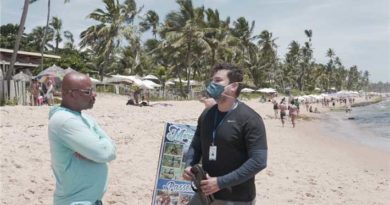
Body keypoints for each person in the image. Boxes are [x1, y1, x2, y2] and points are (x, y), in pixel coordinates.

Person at [182, 63, 267, 204]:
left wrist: (220, 182)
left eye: (217, 80)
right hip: (204, 195)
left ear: (233, 86)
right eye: (212, 80)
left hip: (236, 198)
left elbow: (259, 161)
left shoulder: (250, 119)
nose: (212, 84)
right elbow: (196, 145)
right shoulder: (206, 114)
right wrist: (189, 165)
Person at [48, 72, 116, 205]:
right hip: (75, 201)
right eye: (88, 91)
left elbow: (111, 150)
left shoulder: (83, 118)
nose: (94, 95)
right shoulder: (65, 120)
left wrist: (95, 150)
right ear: (71, 93)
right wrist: (98, 149)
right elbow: (104, 153)